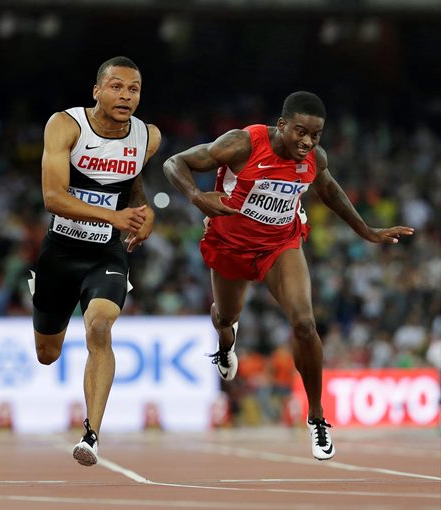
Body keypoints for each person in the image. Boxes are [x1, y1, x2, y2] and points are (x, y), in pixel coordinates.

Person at [162, 91, 414, 460]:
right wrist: (197, 197)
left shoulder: (314, 157)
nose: (308, 142)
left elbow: (329, 191)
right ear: (281, 125)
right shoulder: (242, 144)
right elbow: (174, 163)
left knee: (304, 323)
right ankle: (225, 342)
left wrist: (367, 231)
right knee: (227, 316)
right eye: (300, 132)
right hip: (231, 245)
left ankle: (316, 417)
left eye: (316, 135)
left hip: (281, 245)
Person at [30, 56, 161, 466]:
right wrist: (114, 216)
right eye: (117, 87)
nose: (126, 96)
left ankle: (92, 434)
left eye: (134, 89)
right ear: (97, 91)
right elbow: (53, 197)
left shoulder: (148, 136)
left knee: (100, 327)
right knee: (47, 354)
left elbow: (134, 184)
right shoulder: (65, 125)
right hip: (60, 253)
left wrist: (144, 212)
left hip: (106, 254)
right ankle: (51, 308)